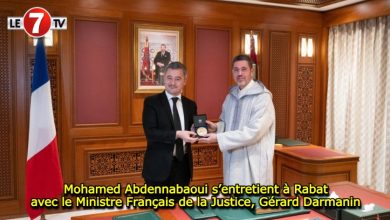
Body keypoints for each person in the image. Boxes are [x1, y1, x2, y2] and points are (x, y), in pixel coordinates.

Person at [199, 54, 275, 186]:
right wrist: (216, 128)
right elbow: (227, 123)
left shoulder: (262, 98)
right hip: (232, 159)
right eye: (236, 69)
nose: (240, 73)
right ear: (232, 72)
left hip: (252, 162)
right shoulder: (230, 97)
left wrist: (218, 138)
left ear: (252, 71)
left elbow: (254, 133)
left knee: (253, 203)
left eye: (244, 69)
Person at [142, 61, 198, 200]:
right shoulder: (151, 102)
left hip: (183, 167)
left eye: (177, 79)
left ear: (185, 80)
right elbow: (151, 133)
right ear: (164, 78)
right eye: (169, 78)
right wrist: (177, 134)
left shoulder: (190, 105)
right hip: (158, 168)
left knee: (180, 212)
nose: (172, 83)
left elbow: (191, 134)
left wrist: (197, 132)